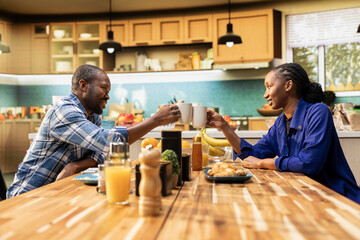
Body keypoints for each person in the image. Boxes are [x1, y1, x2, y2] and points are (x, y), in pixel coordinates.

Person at [7, 65, 181, 198]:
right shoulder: (65, 110)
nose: (107, 95)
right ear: (83, 86)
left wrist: (75, 165)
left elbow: (100, 155)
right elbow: (108, 143)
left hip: (58, 192)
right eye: (104, 88)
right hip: (28, 195)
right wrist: (155, 120)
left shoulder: (92, 116)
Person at [207, 63, 360, 204]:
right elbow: (253, 155)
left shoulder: (318, 112)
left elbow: (309, 164)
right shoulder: (280, 122)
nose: (265, 95)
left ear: (288, 85)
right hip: (307, 195)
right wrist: (225, 127)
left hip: (337, 196)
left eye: (269, 86)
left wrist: (263, 163)